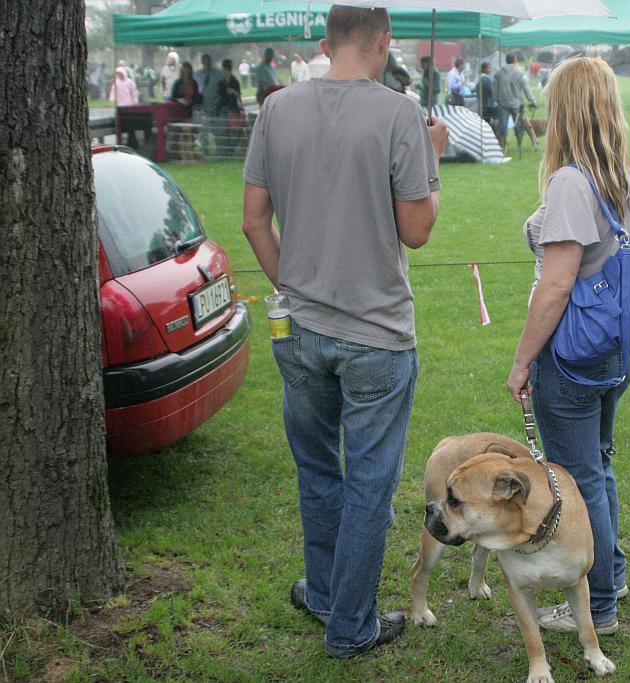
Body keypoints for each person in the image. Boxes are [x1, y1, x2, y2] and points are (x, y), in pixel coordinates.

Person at [243, 6, 448, 659]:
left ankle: (332, 593)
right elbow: (417, 228)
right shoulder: (399, 116)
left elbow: (254, 220)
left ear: (328, 42)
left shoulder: (277, 108)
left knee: (317, 468)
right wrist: (432, 158)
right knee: (366, 480)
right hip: (377, 336)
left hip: (299, 328)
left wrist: (293, 287)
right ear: (384, 42)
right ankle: (347, 619)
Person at [507, 55, 630, 637]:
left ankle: (602, 602)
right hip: (613, 346)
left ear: (564, 110)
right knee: (599, 466)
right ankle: (611, 572)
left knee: (580, 476)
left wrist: (521, 361)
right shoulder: (623, 176)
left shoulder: (570, 182)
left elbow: (558, 283)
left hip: (571, 353)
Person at [494, 52, 537, 150]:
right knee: (518, 125)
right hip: (516, 104)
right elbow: (527, 89)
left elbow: (494, 89)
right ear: (515, 60)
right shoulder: (520, 73)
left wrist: (497, 99)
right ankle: (519, 146)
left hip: (502, 103)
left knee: (503, 125)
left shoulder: (498, 73)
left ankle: (502, 146)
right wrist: (532, 100)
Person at [216, 59, 244, 154]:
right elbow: (219, 95)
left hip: (232, 108)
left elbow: (239, 95)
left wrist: (234, 92)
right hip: (223, 108)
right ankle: (225, 149)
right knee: (224, 129)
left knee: (233, 130)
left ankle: (231, 149)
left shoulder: (235, 81)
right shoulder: (220, 82)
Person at [478, 60, 498, 131]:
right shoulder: (486, 79)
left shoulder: (479, 78)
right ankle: (495, 132)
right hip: (489, 105)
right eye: (489, 68)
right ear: (484, 69)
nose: (490, 70)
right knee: (497, 117)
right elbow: (492, 92)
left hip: (482, 104)